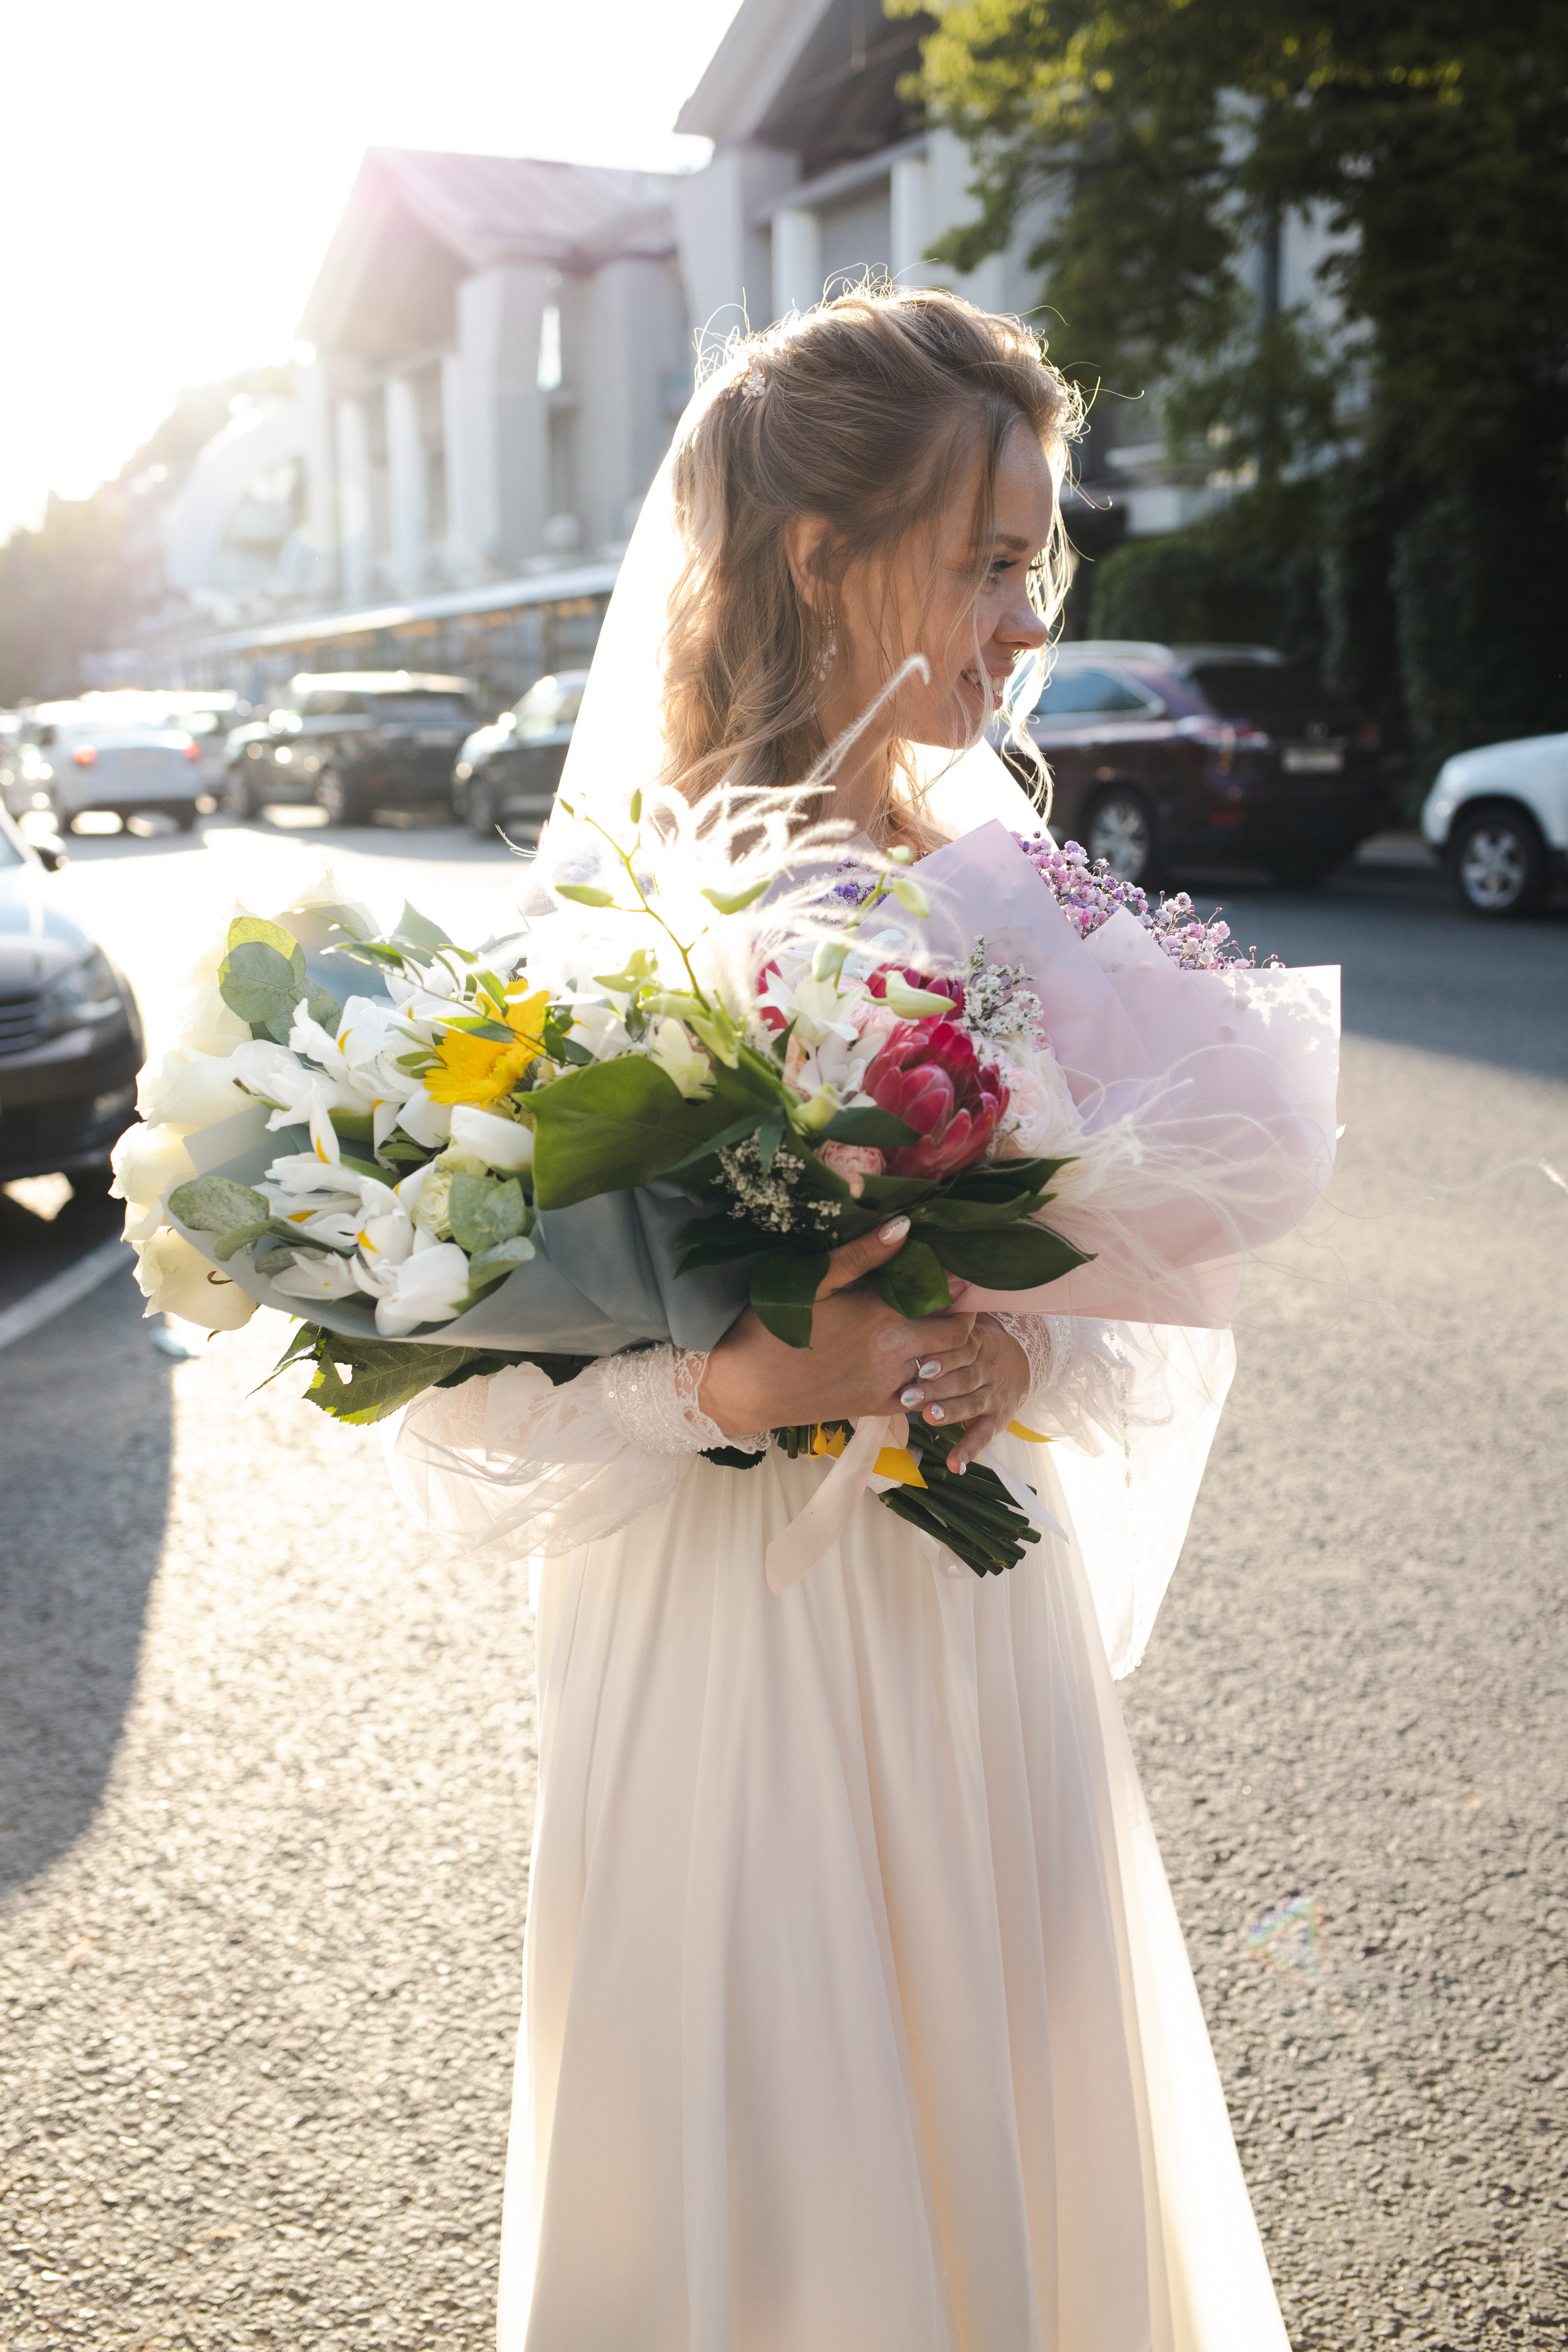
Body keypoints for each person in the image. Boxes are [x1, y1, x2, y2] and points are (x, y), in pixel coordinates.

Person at [392, 287, 1294, 2350]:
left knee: (1008, 2131)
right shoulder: (620, 916)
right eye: (987, 563)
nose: (1025, 621)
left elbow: (1126, 1258)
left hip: (977, 1639)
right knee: (775, 2151)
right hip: (735, 1642)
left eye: (1034, 566)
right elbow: (459, 1372)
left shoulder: (1004, 885)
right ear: (822, 557)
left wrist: (1021, 1348)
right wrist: (725, 1379)